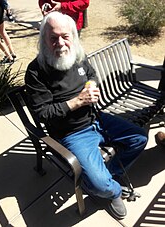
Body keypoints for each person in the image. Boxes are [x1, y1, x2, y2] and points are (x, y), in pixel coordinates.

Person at [25, 11, 148, 219]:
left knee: (139, 138)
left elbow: (91, 75)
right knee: (101, 185)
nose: (61, 43)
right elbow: (42, 113)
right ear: (44, 39)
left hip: (97, 118)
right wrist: (77, 101)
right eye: (53, 38)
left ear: (73, 36)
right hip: (72, 133)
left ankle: (111, 174)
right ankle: (113, 191)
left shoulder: (77, 56)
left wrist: (91, 86)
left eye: (65, 36)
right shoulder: (36, 72)